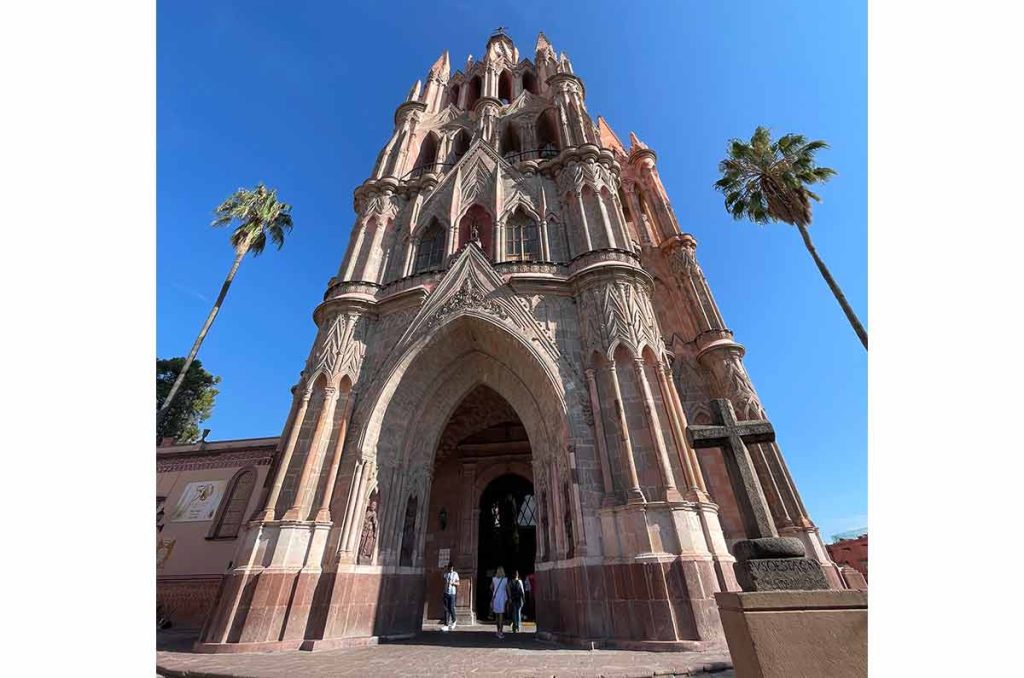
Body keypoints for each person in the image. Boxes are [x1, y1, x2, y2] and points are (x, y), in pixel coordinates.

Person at [490, 566, 509, 638]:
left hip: (495, 598)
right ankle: (500, 632)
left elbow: (491, 587)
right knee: (501, 616)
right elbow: (508, 589)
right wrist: (509, 597)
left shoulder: (494, 579)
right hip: (502, 598)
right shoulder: (505, 580)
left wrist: (494, 591)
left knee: (497, 616)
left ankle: (498, 630)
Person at [440, 562, 459, 631]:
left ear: (453, 568)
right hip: (446, 592)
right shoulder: (446, 574)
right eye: (450, 567)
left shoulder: (455, 574)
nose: (451, 568)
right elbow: (442, 576)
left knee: (451, 607)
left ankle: (454, 621)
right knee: (446, 609)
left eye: (452, 567)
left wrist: (453, 583)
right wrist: (443, 569)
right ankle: (446, 624)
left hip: (452, 593)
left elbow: (458, 583)